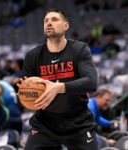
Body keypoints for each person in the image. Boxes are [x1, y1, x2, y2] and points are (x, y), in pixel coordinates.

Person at [19, 9, 98, 150]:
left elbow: (91, 82)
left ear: (66, 26)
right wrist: (25, 94)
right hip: (45, 123)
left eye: (54, 19)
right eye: (46, 21)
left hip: (78, 122)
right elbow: (28, 97)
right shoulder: (33, 55)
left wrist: (59, 87)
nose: (49, 23)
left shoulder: (79, 50)